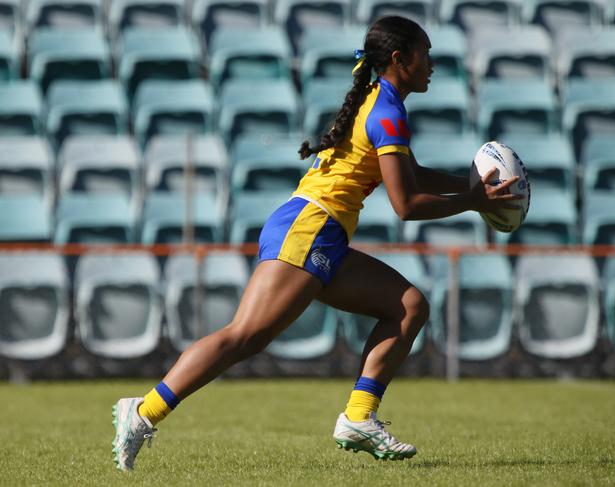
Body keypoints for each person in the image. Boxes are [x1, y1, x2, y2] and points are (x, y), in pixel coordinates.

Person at [111, 15, 521, 470]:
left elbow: (410, 174)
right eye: (426, 53)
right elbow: (405, 204)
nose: (433, 64)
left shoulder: (381, 102)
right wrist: (470, 199)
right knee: (243, 336)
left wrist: (472, 188)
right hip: (310, 227)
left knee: (408, 306)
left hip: (319, 231)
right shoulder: (387, 111)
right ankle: (143, 411)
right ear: (401, 59)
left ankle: (359, 418)